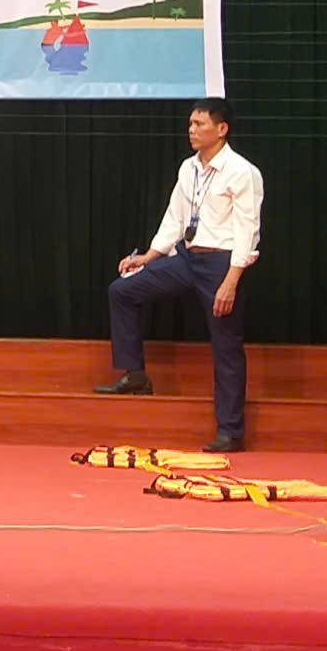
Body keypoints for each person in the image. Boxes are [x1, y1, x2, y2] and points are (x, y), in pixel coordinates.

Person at [94, 98, 265, 453]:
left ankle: (230, 431)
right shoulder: (189, 168)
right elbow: (174, 218)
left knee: (226, 346)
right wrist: (149, 256)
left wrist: (231, 280)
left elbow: (248, 231)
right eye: (190, 124)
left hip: (222, 264)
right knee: (122, 290)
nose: (191, 130)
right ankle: (135, 374)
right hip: (187, 258)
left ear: (222, 129)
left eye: (200, 124)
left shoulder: (241, 172)